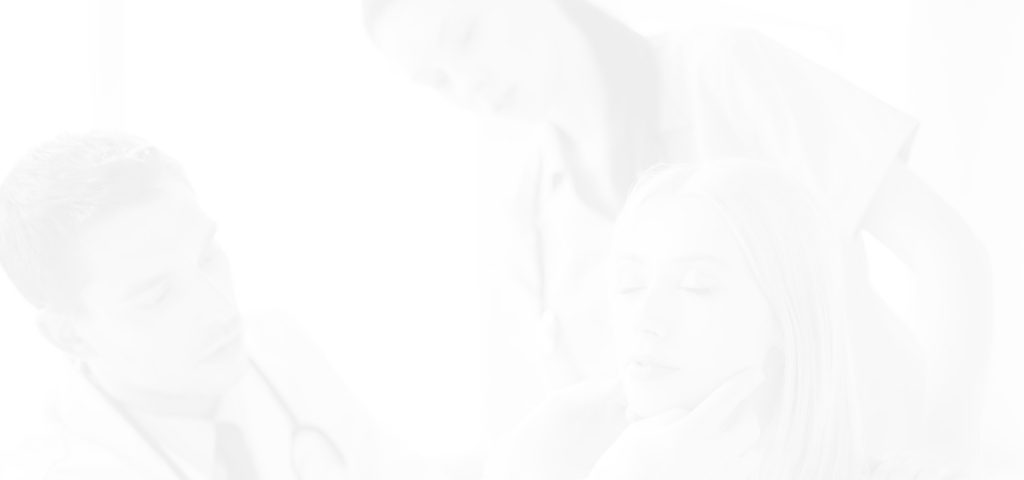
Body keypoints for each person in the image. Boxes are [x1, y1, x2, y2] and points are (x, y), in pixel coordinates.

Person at [362, 0, 991, 468]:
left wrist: (944, 451)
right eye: (435, 80)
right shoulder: (526, 219)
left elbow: (947, 253)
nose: (466, 83)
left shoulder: (723, 72)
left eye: (466, 36)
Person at [0, 132, 447, 480]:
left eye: (208, 255)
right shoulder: (53, 468)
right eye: (157, 296)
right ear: (70, 335)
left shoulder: (277, 344)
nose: (219, 308)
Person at [485, 160, 959, 480]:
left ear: (785, 320)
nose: (645, 320)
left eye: (696, 286)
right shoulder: (553, 453)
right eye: (629, 286)